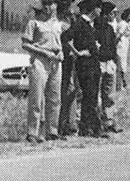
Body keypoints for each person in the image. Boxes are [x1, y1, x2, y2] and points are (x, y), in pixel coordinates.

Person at [23, 0, 64, 143]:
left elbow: (59, 42)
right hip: (40, 60)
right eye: (46, 4)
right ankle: (32, 132)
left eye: (51, 4)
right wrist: (43, 52)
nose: (48, 7)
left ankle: (52, 131)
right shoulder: (34, 23)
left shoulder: (57, 24)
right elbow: (25, 44)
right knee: (37, 98)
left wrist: (60, 53)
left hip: (56, 62)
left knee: (54, 97)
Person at [65, 0, 105, 137]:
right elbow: (66, 37)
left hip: (94, 64)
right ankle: (89, 128)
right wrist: (77, 53)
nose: (100, 11)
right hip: (85, 65)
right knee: (89, 96)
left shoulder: (90, 24)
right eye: (99, 8)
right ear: (93, 9)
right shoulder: (80, 23)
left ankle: (89, 127)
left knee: (92, 96)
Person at [96, 1, 120, 131]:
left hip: (109, 63)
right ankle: (98, 121)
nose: (113, 16)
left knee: (109, 95)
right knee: (98, 95)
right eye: (112, 13)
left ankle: (109, 122)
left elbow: (113, 46)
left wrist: (114, 61)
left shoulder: (110, 28)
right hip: (99, 63)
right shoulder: (95, 27)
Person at [57, 0, 79, 136]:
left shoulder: (70, 21)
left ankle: (70, 123)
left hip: (70, 60)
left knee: (71, 91)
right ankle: (63, 124)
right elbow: (67, 39)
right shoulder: (61, 24)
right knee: (66, 90)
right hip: (64, 59)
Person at [113, 7, 130, 90]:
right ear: (129, 16)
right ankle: (121, 85)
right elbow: (118, 36)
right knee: (121, 67)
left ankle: (122, 84)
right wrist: (113, 45)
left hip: (123, 48)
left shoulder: (124, 24)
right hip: (120, 48)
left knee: (122, 66)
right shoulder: (123, 24)